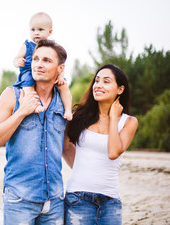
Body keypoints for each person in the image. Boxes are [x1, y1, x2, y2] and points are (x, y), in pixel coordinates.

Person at [0, 40, 68, 224]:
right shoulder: (12, 95)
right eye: (35, 58)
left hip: (55, 202)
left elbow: (67, 148)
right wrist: (22, 111)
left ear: (60, 68)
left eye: (46, 60)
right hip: (19, 200)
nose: (38, 64)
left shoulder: (63, 102)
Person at [62, 64, 138, 225]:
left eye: (106, 81)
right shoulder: (79, 116)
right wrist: (83, 169)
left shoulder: (129, 122)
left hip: (110, 200)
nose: (98, 85)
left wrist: (113, 117)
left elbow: (113, 152)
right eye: (97, 81)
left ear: (120, 89)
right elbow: (66, 147)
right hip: (78, 198)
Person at [13, 12, 73, 120]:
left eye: (40, 30)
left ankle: (68, 109)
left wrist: (60, 76)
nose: (36, 33)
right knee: (28, 85)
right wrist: (17, 62)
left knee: (64, 86)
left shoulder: (53, 48)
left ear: (50, 31)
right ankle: (34, 104)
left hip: (48, 74)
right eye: (33, 29)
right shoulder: (27, 45)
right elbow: (16, 58)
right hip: (28, 71)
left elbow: (60, 64)